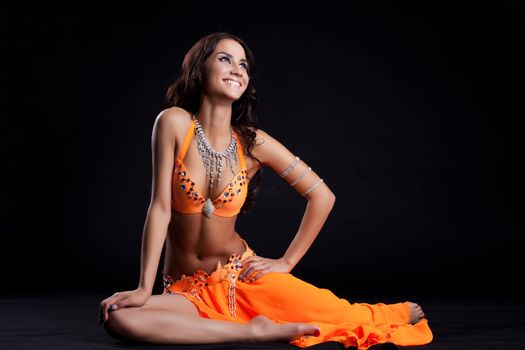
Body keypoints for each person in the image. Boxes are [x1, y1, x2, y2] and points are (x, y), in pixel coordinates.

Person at [98, 32, 433, 349]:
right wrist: (144, 287)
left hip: (244, 277)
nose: (236, 70)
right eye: (225, 59)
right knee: (120, 319)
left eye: (243, 65)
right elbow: (160, 208)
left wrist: (286, 261)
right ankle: (254, 332)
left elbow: (322, 195)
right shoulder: (173, 122)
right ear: (200, 70)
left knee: (346, 316)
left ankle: (391, 312)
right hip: (186, 292)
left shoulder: (252, 142)